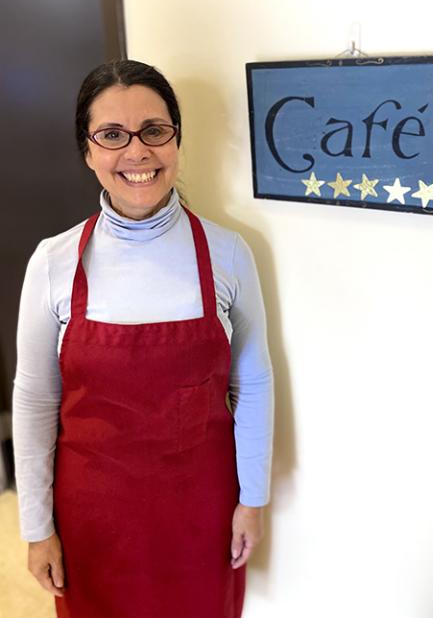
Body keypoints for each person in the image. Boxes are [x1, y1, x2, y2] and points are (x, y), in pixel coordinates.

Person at [12, 59, 274, 618]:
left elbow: (253, 382)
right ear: (88, 150)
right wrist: (37, 527)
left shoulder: (228, 253)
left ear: (176, 139)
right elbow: (34, 401)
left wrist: (252, 500)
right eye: (112, 135)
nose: (137, 153)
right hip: (92, 523)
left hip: (202, 516)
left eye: (154, 130)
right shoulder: (53, 262)